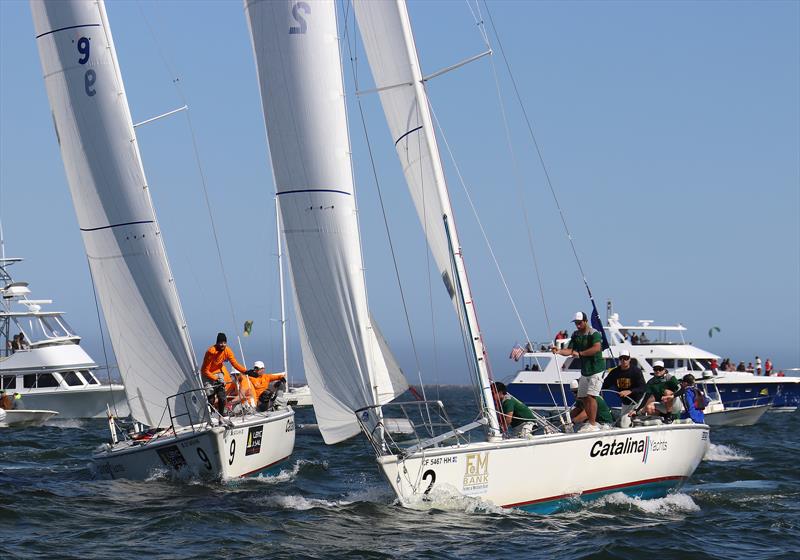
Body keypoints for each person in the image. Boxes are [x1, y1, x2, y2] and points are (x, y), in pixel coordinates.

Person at [551, 311, 606, 432]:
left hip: (597, 369)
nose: (577, 325)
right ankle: (592, 423)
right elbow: (570, 350)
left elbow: (597, 348)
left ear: (585, 321)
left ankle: (592, 424)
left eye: (579, 322)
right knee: (583, 397)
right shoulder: (576, 335)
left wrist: (580, 353)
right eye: (576, 323)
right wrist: (558, 351)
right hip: (585, 371)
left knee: (591, 396)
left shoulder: (594, 333)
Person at [200, 332, 248, 414]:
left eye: (224, 342)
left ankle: (221, 416)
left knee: (221, 395)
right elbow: (205, 370)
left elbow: (235, 364)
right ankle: (211, 414)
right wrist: (215, 379)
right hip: (207, 374)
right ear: (217, 343)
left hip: (218, 372)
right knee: (210, 394)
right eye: (221, 342)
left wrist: (246, 371)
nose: (223, 344)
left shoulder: (227, 351)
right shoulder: (211, 352)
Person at [602, 349, 645, 425]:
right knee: (624, 424)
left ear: (629, 359)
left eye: (626, 358)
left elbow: (643, 387)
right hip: (626, 404)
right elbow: (605, 385)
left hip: (638, 403)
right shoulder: (615, 372)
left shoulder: (636, 371)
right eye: (621, 358)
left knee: (637, 423)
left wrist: (630, 391)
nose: (623, 360)